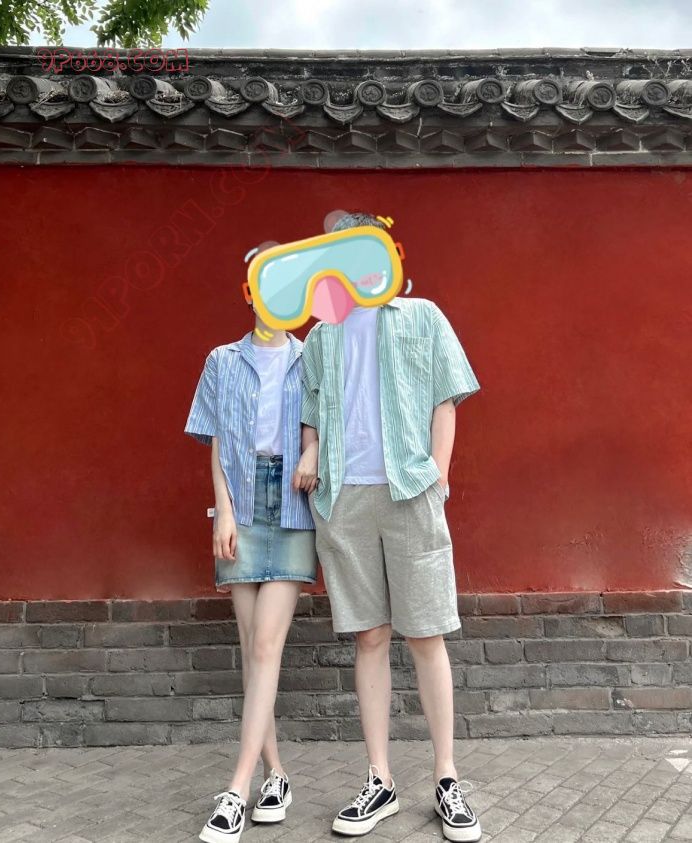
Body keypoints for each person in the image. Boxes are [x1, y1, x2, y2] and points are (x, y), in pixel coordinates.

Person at [296, 211, 482, 842]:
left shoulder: (422, 316)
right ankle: (379, 779)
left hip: (410, 491)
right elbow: (311, 409)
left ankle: (447, 777)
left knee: (426, 634)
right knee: (370, 638)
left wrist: (438, 478)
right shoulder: (322, 334)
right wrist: (310, 450)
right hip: (345, 497)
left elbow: (446, 399)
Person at [184, 251, 319, 843]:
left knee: (266, 645)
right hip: (240, 503)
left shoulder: (311, 357)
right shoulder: (222, 360)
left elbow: (326, 422)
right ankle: (276, 774)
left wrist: (312, 449)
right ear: (249, 292)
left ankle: (236, 790)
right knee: (250, 648)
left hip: (291, 504)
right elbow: (217, 441)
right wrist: (223, 511)